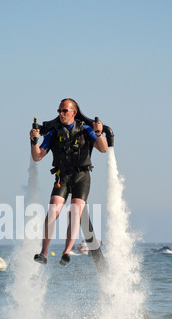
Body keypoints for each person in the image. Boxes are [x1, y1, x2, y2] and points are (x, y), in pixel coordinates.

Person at [30, 98, 108, 266]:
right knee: (53, 211)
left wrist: (100, 133)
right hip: (62, 177)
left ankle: (66, 252)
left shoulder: (86, 129)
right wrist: (34, 141)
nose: (61, 114)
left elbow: (103, 148)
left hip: (81, 177)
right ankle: (44, 253)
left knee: (75, 211)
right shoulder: (53, 132)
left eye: (64, 111)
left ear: (73, 112)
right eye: (59, 111)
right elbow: (37, 156)